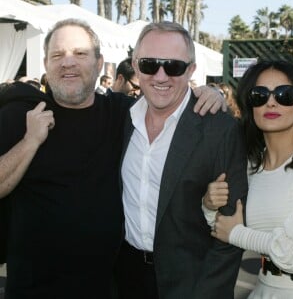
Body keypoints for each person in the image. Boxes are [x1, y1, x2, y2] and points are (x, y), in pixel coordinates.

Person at [0, 18, 226, 299]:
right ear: (46, 64)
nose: (68, 63)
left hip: (106, 286)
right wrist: (29, 141)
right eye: (58, 55)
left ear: (99, 63)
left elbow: (167, 100)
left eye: (80, 54)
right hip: (33, 289)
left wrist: (210, 93)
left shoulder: (124, 114)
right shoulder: (19, 114)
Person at [116, 21, 248, 299]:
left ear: (191, 70)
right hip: (125, 277)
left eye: (174, 66)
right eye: (150, 64)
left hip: (190, 285)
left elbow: (231, 231)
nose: (161, 76)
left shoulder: (219, 129)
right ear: (136, 66)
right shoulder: (121, 118)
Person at [203, 60, 293, 298]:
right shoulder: (250, 167)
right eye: (260, 95)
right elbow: (225, 225)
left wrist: (237, 234)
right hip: (263, 289)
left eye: (284, 94)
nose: (271, 101)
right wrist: (209, 205)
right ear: (250, 106)